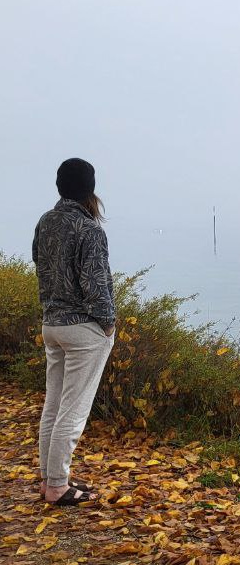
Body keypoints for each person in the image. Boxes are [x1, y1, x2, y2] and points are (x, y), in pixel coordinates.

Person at [32, 158, 116, 506]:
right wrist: (108, 324)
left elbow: (39, 262)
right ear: (90, 188)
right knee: (73, 410)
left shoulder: (46, 221)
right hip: (82, 330)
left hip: (51, 324)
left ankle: (49, 479)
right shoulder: (89, 229)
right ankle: (57, 486)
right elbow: (95, 285)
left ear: (59, 185)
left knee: (53, 405)